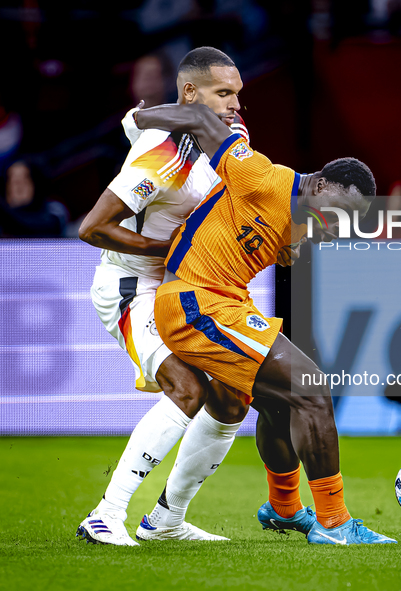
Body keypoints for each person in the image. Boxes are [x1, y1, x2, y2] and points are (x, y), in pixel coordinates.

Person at [132, 100, 397, 545]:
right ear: (322, 183)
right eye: (340, 210)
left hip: (225, 302)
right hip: (195, 302)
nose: (338, 225)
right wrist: (137, 120)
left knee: (281, 403)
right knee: (310, 388)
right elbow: (200, 119)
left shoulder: (302, 220)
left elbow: (259, 236)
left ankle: (284, 508)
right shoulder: (262, 175)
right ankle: (334, 524)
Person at [76, 47, 253, 546]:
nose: (236, 104)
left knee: (231, 397)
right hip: (132, 286)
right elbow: (93, 227)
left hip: (184, 288)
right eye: (224, 93)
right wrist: (172, 248)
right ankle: (106, 514)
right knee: (187, 387)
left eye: (238, 93)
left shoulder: (227, 139)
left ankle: (166, 521)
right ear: (192, 94)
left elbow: (135, 120)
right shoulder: (166, 151)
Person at [0, 159, 69, 237]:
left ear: (36, 183)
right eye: (13, 181)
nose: (18, 187)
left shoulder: (54, 210)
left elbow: (38, 229)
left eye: (24, 180)